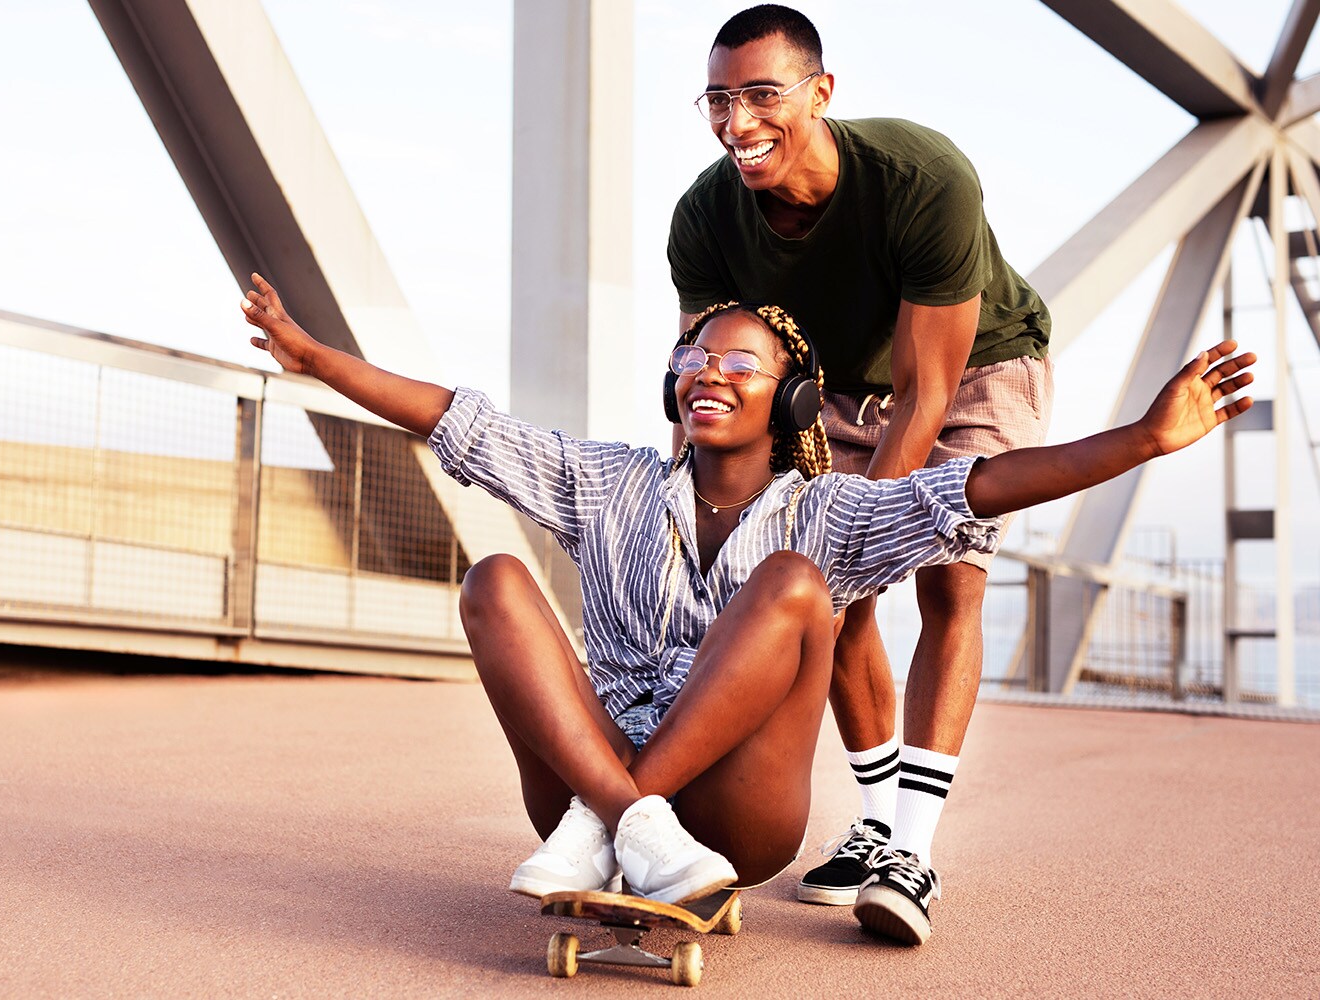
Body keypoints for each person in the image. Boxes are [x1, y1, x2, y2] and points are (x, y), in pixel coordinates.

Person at [239, 274, 1251, 940]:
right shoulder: (607, 481)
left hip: (738, 813)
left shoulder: (833, 511)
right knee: (495, 580)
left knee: (796, 584)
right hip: (586, 774)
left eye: (736, 362)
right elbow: (464, 422)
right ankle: (630, 822)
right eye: (691, 358)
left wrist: (1144, 441)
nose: (704, 372)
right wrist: (316, 356)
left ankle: (614, 822)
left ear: (797, 398)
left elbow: (976, 487)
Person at [666, 5, 1053, 940]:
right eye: (718, 100)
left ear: (822, 93)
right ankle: (876, 821)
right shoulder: (706, 216)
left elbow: (926, 394)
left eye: (763, 94)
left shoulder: (923, 179)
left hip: (972, 372)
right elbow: (699, 378)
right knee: (820, 606)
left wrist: (857, 546)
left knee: (948, 585)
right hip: (827, 388)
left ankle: (910, 852)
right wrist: (680, 525)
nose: (738, 121)